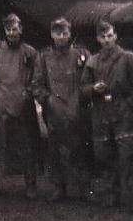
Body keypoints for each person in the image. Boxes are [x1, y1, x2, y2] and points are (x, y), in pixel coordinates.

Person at [81, 20, 133, 213]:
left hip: (122, 112)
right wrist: (93, 89)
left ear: (115, 36)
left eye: (110, 35)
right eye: (103, 37)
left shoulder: (128, 58)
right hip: (101, 112)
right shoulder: (93, 61)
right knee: (104, 156)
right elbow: (83, 88)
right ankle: (111, 195)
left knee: (128, 157)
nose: (107, 40)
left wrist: (128, 104)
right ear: (98, 39)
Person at [0, 13, 40, 199]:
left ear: (21, 30)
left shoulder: (30, 52)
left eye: (15, 29)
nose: (12, 33)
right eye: (9, 30)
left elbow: (37, 78)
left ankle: (30, 185)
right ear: (4, 31)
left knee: (27, 146)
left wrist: (27, 93)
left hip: (23, 105)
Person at [33, 17, 91, 202]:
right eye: (57, 33)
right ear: (52, 34)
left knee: (80, 147)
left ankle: (83, 187)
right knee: (55, 150)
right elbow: (37, 84)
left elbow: (89, 79)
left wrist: (81, 100)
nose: (61, 37)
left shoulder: (81, 54)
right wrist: (48, 101)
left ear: (70, 33)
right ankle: (59, 187)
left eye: (65, 33)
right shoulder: (44, 57)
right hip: (55, 111)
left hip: (77, 110)